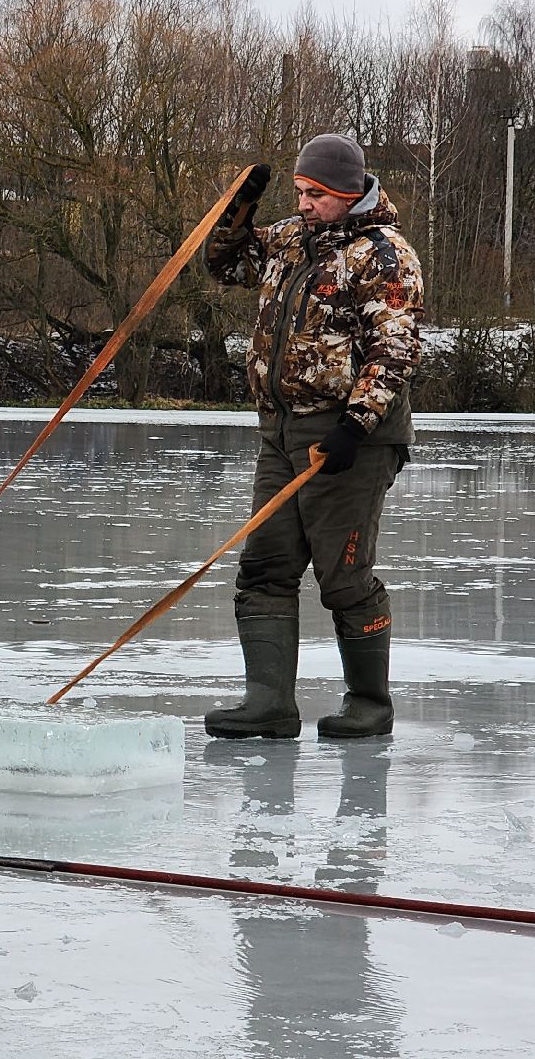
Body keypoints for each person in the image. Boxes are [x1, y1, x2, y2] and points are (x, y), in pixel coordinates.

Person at [203, 133, 423, 740]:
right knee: (264, 566)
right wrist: (236, 211)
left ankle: (370, 704)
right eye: (299, 191)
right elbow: (225, 265)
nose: (303, 203)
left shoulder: (385, 254)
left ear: (348, 193)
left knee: (343, 576)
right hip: (280, 432)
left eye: (316, 194)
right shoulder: (290, 239)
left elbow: (396, 347)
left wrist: (357, 424)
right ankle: (269, 703)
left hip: (352, 437)